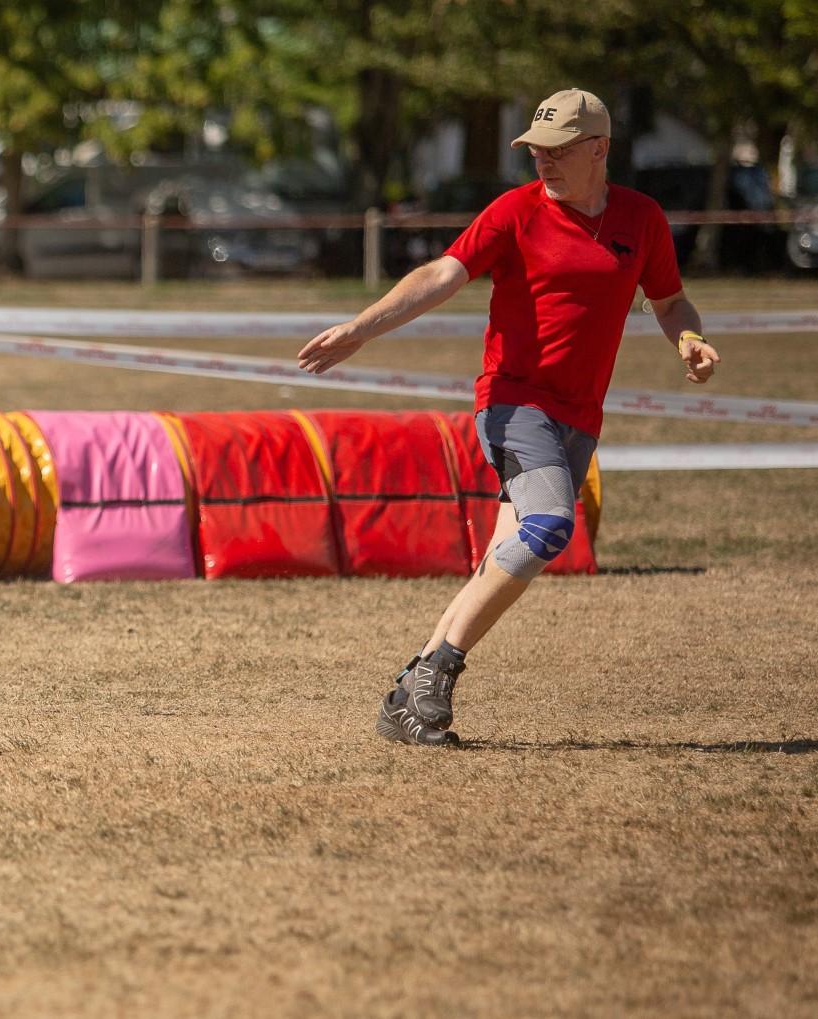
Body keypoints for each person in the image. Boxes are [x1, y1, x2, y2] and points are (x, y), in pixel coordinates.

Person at [296, 88, 722, 746]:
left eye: (555, 150)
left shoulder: (640, 219)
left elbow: (668, 301)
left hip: (580, 416)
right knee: (549, 525)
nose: (540, 161)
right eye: (533, 150)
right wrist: (362, 327)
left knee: (501, 558)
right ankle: (439, 669)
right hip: (512, 402)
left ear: (598, 149)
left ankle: (404, 698)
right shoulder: (514, 212)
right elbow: (442, 273)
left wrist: (688, 340)